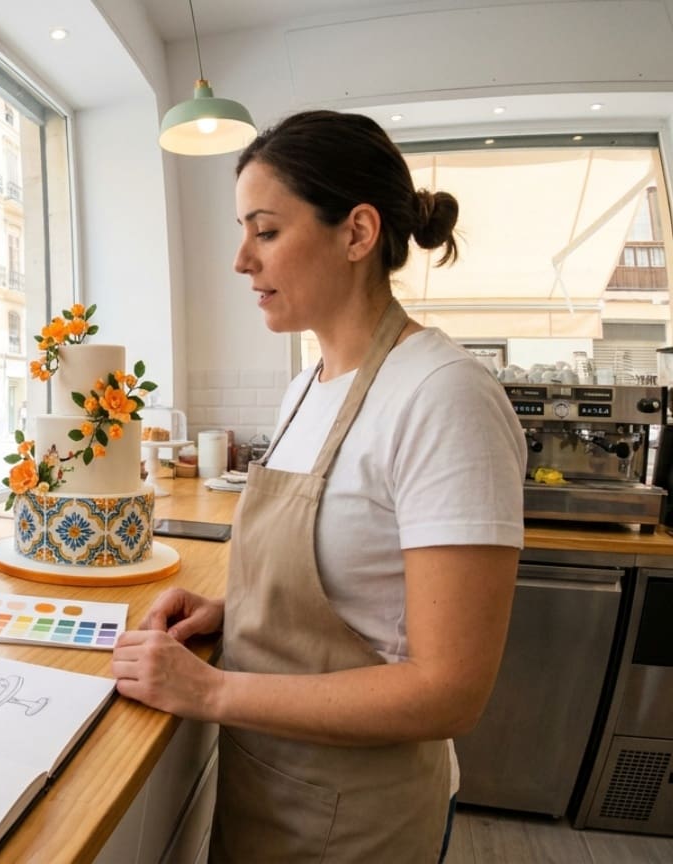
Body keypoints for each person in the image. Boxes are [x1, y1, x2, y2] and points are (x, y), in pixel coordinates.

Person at [111, 110, 525, 862]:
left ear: (357, 233)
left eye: (266, 232)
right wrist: (233, 614)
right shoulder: (306, 388)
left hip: (360, 815)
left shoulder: (444, 396)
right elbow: (354, 595)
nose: (241, 260)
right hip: (268, 780)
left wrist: (211, 692)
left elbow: (450, 690)